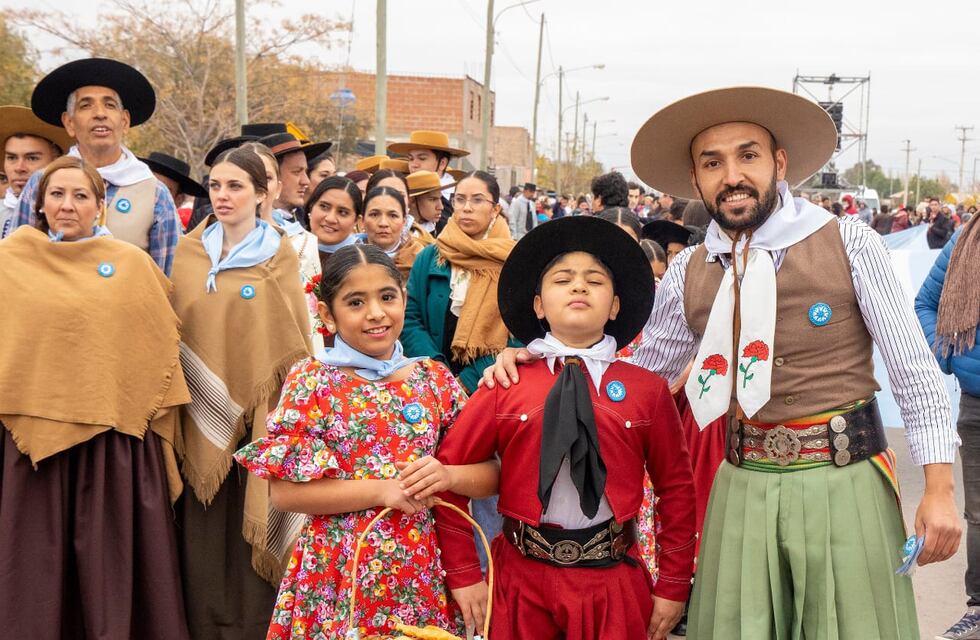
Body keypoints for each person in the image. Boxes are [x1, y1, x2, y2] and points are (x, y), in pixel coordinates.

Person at [484, 86, 962, 639]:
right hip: (740, 485)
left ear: (779, 164)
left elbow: (913, 371)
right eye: (713, 163)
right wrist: (544, 358)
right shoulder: (691, 268)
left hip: (845, 479)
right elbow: (638, 372)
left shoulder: (850, 242)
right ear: (696, 180)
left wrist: (939, 489)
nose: (732, 175)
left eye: (748, 155)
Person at [434, 215, 696, 640]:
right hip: (520, 582)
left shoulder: (646, 391)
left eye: (595, 280)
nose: (579, 287)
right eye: (562, 279)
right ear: (538, 304)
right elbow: (447, 478)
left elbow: (678, 489)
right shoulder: (506, 383)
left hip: (612, 583)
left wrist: (672, 584)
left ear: (614, 306)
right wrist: (465, 573)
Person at [233, 244, 499, 638]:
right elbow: (286, 495)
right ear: (327, 314)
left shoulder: (433, 379)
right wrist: (382, 491)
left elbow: (492, 474)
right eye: (356, 302)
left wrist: (447, 477)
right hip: (339, 574)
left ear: (403, 300)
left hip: (422, 569)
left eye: (387, 297)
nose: (376, 313)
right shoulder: (312, 381)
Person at [0, 155, 190, 639]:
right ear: (39, 205)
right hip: (31, 445)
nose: (68, 205)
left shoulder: (131, 265)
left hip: (112, 444)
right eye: (57, 195)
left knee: (108, 571)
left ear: (100, 207)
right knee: (35, 572)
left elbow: (156, 347)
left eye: (81, 195)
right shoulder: (11, 260)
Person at [170, 146, 312, 639]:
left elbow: (292, 345)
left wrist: (270, 417)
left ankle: (255, 627)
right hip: (196, 415)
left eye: (235, 186)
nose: (223, 196)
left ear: (261, 193)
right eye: (215, 186)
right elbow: (178, 333)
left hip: (261, 422)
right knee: (202, 537)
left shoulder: (278, 257)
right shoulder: (188, 254)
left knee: (250, 526)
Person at [16, 57, 180, 275]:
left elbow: (166, 279)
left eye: (109, 105)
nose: (100, 114)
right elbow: (15, 264)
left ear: (124, 121)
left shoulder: (154, 193)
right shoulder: (41, 182)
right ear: (69, 123)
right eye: (86, 105)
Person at [917, 213, 980, 640]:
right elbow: (924, 304)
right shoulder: (966, 241)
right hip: (976, 404)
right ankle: (979, 608)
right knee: (979, 514)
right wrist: (949, 357)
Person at [240, 141, 323, 351]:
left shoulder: (303, 243)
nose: (257, 186)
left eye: (266, 178)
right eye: (246, 177)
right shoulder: (210, 244)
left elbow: (311, 320)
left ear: (277, 186)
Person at [0, 105, 71, 238]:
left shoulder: (71, 215)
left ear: (56, 161)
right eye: (11, 157)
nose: (19, 168)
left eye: (32, 158)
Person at [389, 130, 469, 234]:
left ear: (442, 163)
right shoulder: (403, 193)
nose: (414, 164)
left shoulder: (460, 199)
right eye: (411, 159)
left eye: (422, 158)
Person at [260, 132, 332, 230]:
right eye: (297, 172)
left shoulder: (306, 218)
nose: (306, 181)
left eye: (305, 171)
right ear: (270, 176)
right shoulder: (251, 227)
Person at [361, 185, 427, 280]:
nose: (383, 223)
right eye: (374, 214)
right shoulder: (347, 258)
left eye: (393, 216)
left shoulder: (422, 259)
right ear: (362, 221)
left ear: (404, 222)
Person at [140, 151, 209, 230]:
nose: (154, 196)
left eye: (163, 192)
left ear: (178, 200)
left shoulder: (178, 239)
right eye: (149, 186)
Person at [407, 170, 453, 239]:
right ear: (412, 200)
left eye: (440, 198)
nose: (441, 207)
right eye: (433, 199)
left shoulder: (445, 229)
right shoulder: (398, 231)